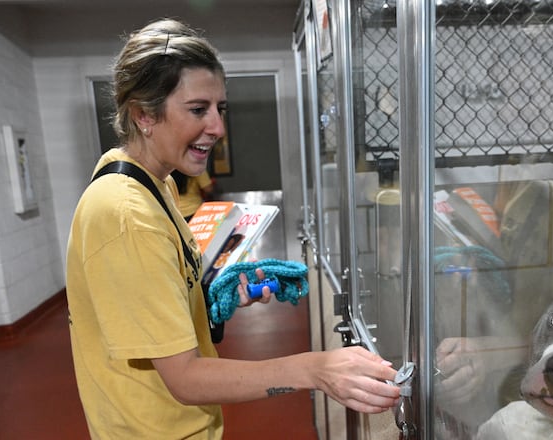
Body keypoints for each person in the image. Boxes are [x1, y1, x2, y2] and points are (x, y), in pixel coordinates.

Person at [65, 18, 400, 439]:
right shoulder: (127, 214)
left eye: (219, 109)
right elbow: (184, 378)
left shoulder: (156, 185)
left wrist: (206, 295)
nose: (218, 128)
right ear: (143, 114)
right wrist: (315, 369)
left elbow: (150, 304)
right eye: (197, 109)